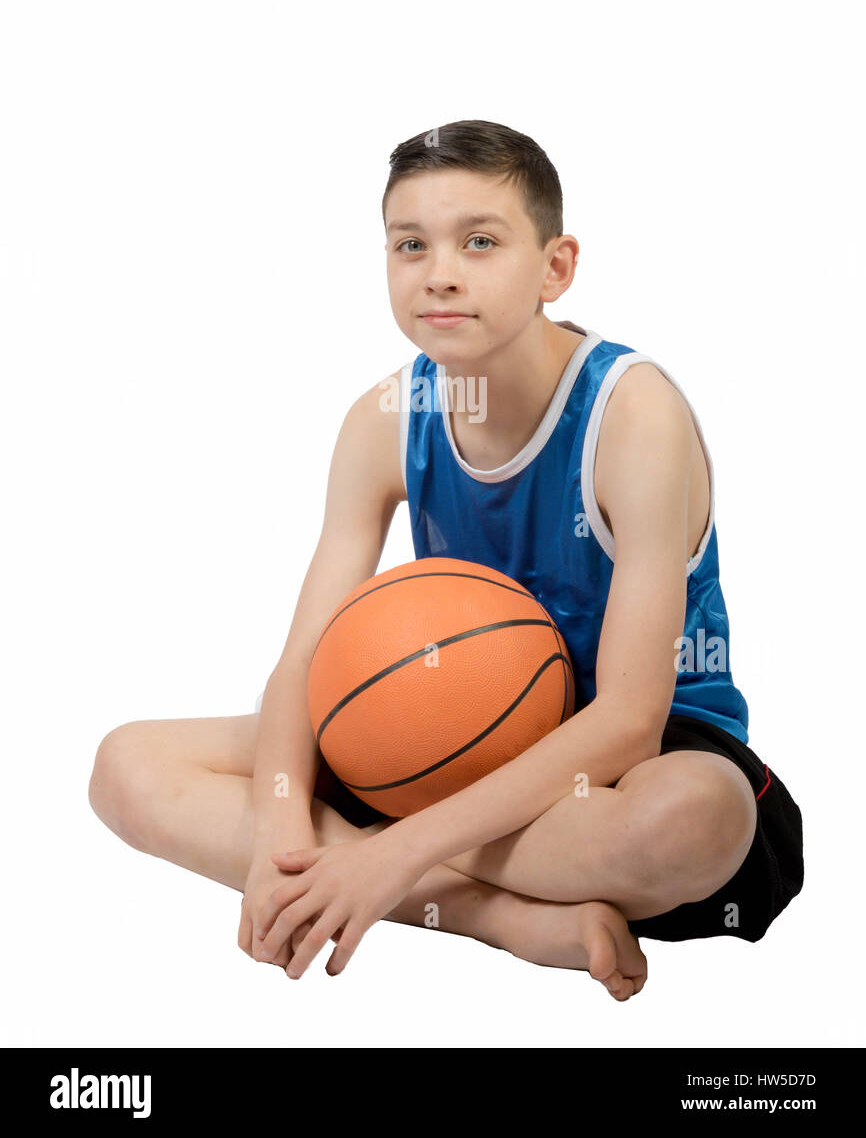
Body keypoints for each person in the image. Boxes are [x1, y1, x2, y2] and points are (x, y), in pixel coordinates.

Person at [88, 119, 804, 1001]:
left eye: (480, 241)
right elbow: (305, 666)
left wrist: (390, 849)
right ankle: (499, 917)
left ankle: (390, 868)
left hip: (625, 760)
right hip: (444, 730)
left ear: (556, 266)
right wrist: (282, 829)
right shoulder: (383, 418)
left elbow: (626, 719)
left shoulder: (633, 416)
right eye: (410, 245)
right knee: (126, 766)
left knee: (699, 816)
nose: (441, 272)